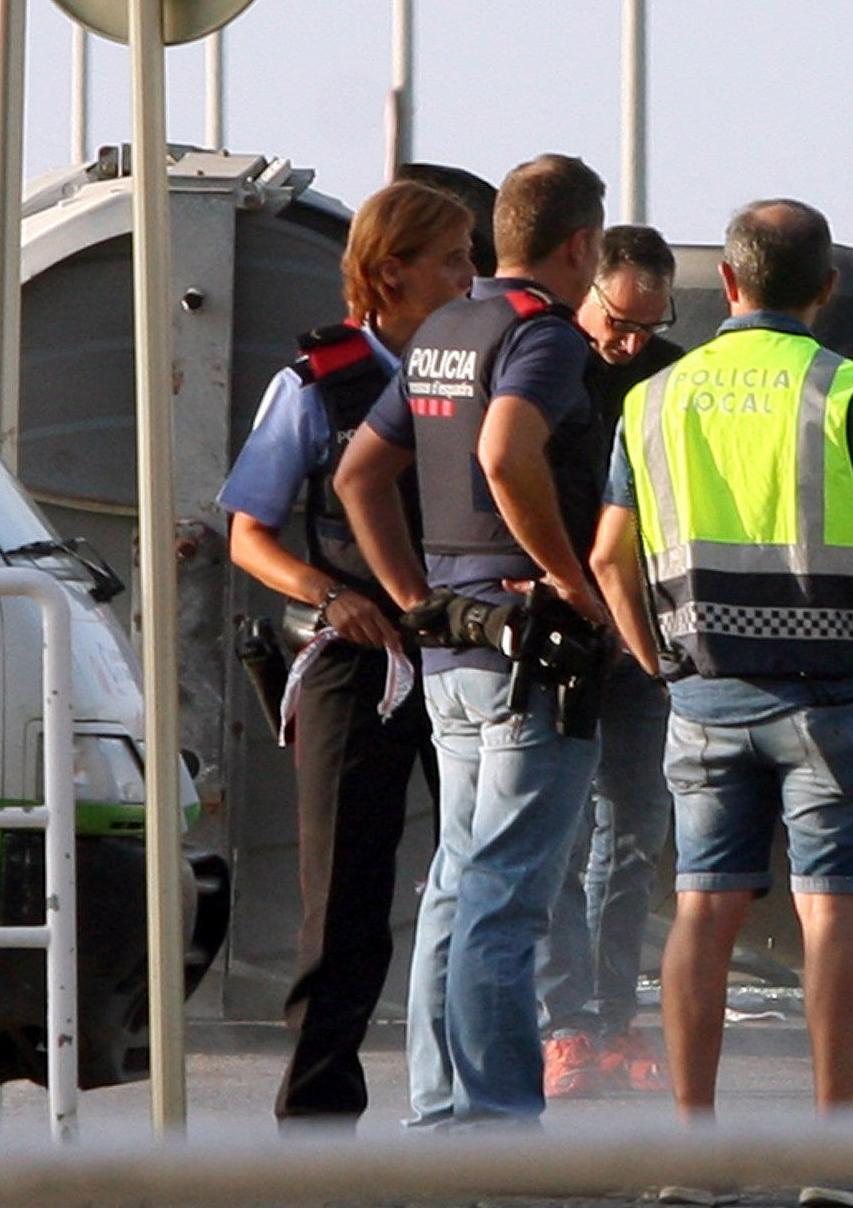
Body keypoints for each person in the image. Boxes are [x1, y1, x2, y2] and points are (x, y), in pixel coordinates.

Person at [592, 199, 853, 1208]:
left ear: (730, 285)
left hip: (704, 693)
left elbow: (609, 555)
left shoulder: (655, 396)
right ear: (826, 290)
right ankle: (834, 1158)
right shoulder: (847, 392)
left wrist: (654, 657)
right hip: (835, 695)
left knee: (702, 908)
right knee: (833, 914)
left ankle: (692, 1157)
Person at [334, 153, 611, 1128]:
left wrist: (414, 592)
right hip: (527, 657)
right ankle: (497, 1126)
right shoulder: (543, 334)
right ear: (580, 245)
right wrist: (574, 582)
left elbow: (361, 474)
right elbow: (505, 450)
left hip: (451, 647)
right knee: (506, 894)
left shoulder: (445, 328)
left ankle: (444, 1112)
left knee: (456, 882)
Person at [216, 179, 474, 1128]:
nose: (469, 276)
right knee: (348, 901)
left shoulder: (478, 370)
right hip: (352, 662)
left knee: (480, 880)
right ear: (390, 271)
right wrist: (332, 594)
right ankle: (317, 1118)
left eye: (472, 257)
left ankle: (467, 1103)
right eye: (451, 259)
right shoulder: (314, 384)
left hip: (464, 654)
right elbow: (249, 532)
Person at [536, 226, 685, 1098]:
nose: (627, 343)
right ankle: (567, 1025)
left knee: (635, 829)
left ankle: (616, 1012)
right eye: (616, 322)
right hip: (560, 623)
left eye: (645, 327)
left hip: (642, 630)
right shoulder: (547, 358)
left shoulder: (670, 373)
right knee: (559, 833)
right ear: (585, 289)